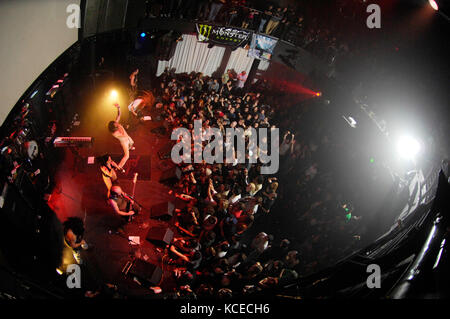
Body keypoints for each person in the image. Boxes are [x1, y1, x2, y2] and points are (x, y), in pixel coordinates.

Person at [108, 103, 135, 169]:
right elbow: (124, 135)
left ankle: (130, 147)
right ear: (114, 128)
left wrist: (118, 107)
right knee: (127, 156)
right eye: (116, 124)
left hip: (127, 138)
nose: (117, 122)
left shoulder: (116, 125)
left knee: (132, 142)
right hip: (124, 142)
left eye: (116, 122)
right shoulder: (115, 133)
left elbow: (119, 115)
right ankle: (119, 166)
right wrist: (121, 126)